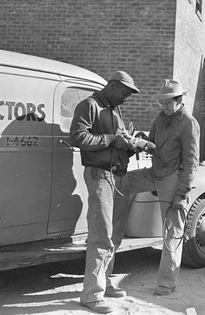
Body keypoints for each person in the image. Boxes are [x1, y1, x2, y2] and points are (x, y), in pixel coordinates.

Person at [70, 71, 139, 314]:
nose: (126, 98)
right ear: (112, 86)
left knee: (115, 235)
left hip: (119, 176)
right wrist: (111, 139)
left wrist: (130, 146)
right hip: (101, 176)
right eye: (124, 93)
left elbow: (118, 143)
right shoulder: (89, 105)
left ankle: (105, 282)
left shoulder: (114, 109)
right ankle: (91, 294)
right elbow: (77, 137)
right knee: (101, 236)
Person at [128, 79, 200, 296]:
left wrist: (181, 194)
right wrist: (141, 142)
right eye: (162, 103)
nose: (164, 107)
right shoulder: (160, 118)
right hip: (154, 172)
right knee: (119, 183)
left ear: (179, 101)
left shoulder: (189, 123)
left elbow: (191, 163)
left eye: (168, 103)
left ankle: (166, 284)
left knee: (172, 232)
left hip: (173, 178)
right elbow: (152, 142)